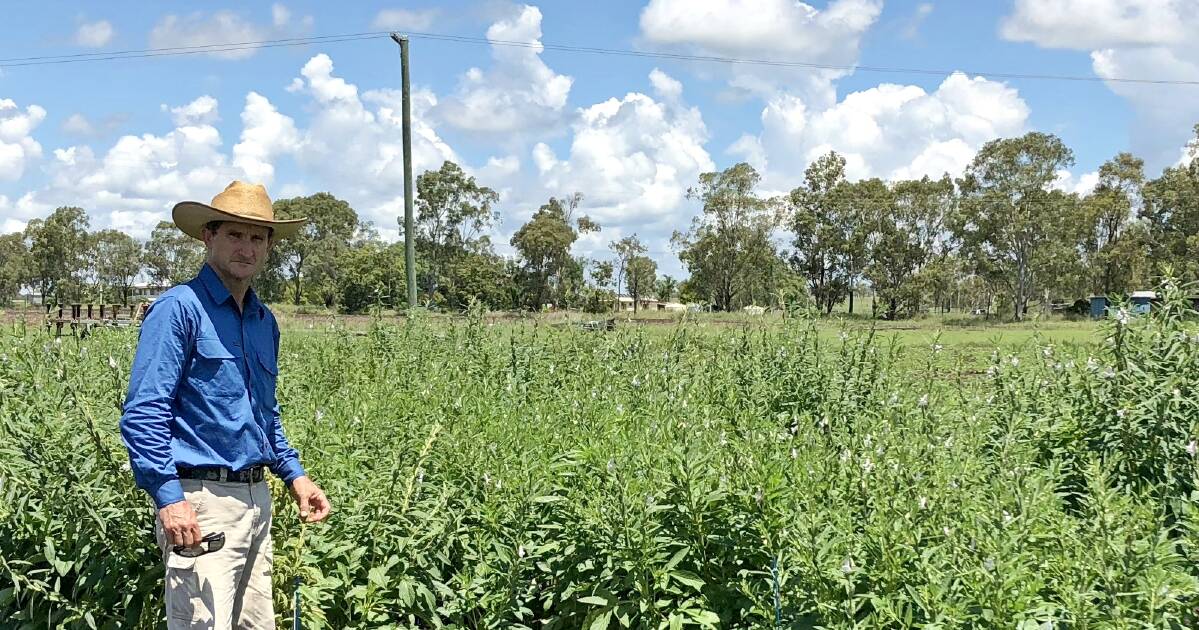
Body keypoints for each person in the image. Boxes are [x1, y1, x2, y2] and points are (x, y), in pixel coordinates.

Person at [120, 181, 331, 629]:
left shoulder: (263, 321)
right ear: (208, 237)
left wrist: (295, 475)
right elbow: (144, 412)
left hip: (257, 501)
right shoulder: (180, 309)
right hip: (202, 503)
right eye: (235, 234)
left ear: (269, 246)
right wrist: (168, 498)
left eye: (257, 237)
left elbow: (262, 415)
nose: (246, 247)